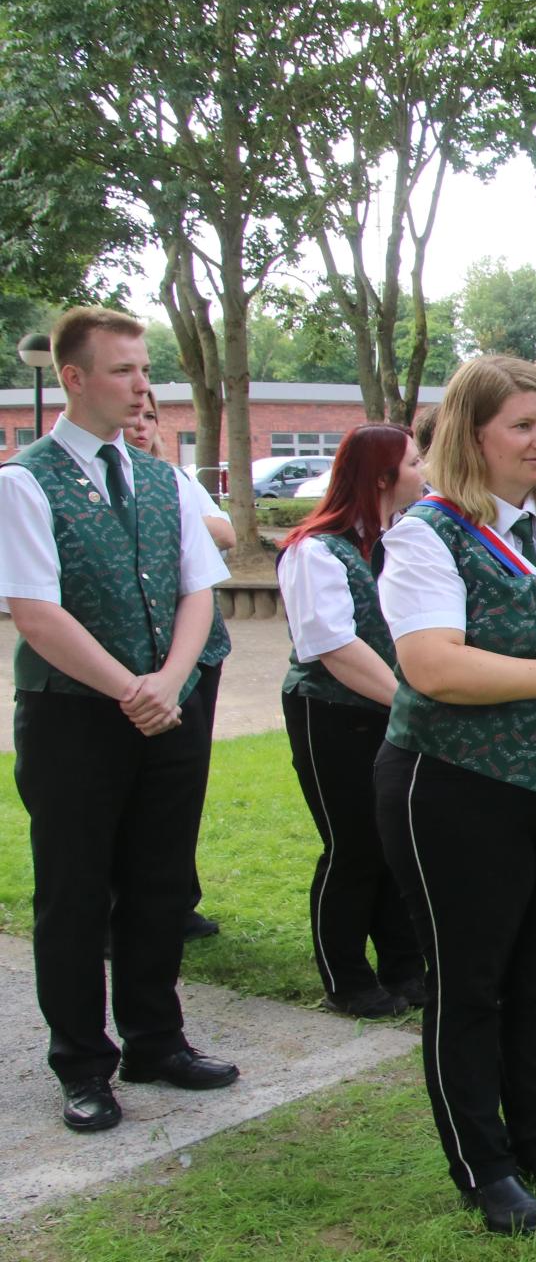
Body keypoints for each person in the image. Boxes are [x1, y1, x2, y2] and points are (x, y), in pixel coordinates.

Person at [374, 354, 536, 1235]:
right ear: (469, 435)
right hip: (454, 784)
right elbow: (432, 664)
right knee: (470, 981)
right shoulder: (424, 536)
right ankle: (485, 1167)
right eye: (522, 426)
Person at [0, 306, 238, 1135]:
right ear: (73, 378)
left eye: (144, 369)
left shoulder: (162, 478)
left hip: (169, 707)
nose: (143, 385)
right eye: (125, 370)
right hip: (74, 718)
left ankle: (155, 1039)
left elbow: (197, 589)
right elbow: (35, 610)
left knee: (159, 880)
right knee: (74, 893)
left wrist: (169, 682)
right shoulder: (23, 482)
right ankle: (81, 1062)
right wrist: (129, 689)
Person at [277, 423, 427, 1018]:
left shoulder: (403, 540)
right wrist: (411, 702)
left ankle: (403, 965)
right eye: (415, 463)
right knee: (353, 845)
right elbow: (334, 646)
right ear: (383, 477)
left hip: (393, 710)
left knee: (396, 843)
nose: (425, 472)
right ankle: (346, 977)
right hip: (334, 715)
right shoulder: (315, 549)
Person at [130, 392, 233, 941]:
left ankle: (176, 899)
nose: (142, 425)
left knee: (181, 784)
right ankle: (121, 906)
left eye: (151, 416)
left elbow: (226, 535)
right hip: (132, 663)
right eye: (134, 414)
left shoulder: (173, 480)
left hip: (196, 653)